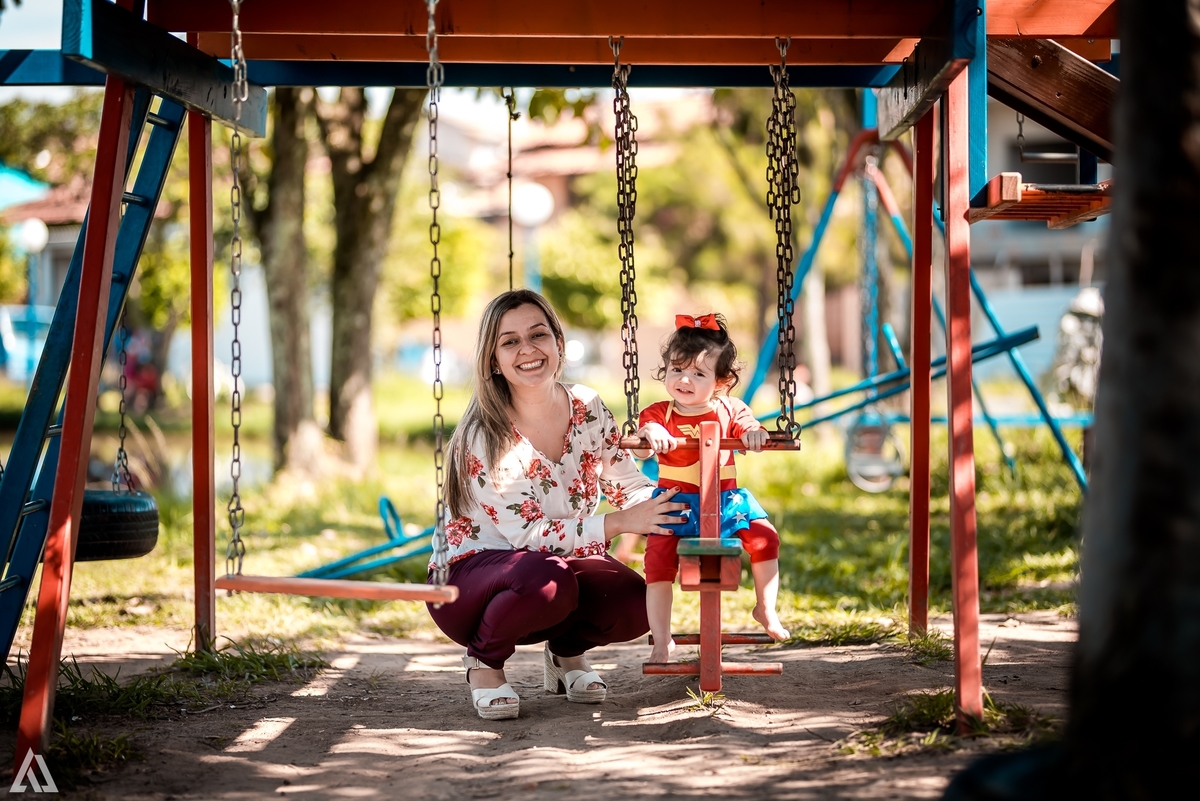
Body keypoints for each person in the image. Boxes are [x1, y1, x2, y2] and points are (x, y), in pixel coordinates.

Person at [427, 289, 689, 720]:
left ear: (558, 343)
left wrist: (677, 508)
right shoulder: (486, 434)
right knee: (548, 580)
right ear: (493, 359)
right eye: (510, 342)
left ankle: (567, 654)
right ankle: (484, 664)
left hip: (554, 569)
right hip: (468, 583)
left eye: (538, 335)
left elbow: (627, 486)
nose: (527, 350)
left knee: (633, 602)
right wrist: (623, 522)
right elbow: (530, 536)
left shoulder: (586, 406)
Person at [633, 313, 790, 664]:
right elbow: (643, 443)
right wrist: (650, 435)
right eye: (677, 369)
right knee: (657, 563)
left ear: (720, 382)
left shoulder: (730, 409)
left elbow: (752, 427)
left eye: (698, 373)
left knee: (766, 538)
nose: (684, 380)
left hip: (725, 501)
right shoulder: (660, 413)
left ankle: (765, 608)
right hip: (674, 503)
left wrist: (753, 435)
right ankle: (661, 639)